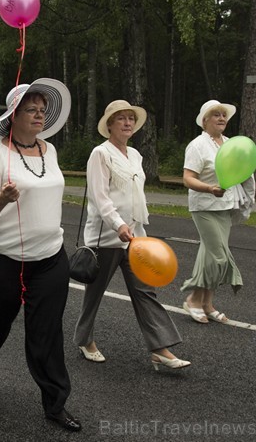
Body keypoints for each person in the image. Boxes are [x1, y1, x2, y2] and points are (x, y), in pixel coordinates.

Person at [0, 79, 81, 432]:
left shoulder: (49, 151)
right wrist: (2, 198)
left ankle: (56, 403)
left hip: (49, 257)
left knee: (47, 333)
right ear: (14, 116)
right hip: (1, 260)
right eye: (31, 109)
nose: (39, 115)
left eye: (43, 110)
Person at [74, 100, 190, 372]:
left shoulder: (135, 155)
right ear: (110, 125)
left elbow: (137, 196)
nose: (127, 123)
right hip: (106, 237)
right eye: (121, 119)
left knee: (145, 291)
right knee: (95, 293)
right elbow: (100, 197)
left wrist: (137, 229)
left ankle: (160, 349)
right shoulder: (100, 154)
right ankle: (84, 340)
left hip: (135, 239)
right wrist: (118, 224)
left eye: (130, 119)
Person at [180, 100, 255, 324]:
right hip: (204, 206)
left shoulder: (230, 144)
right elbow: (187, 178)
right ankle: (193, 299)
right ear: (205, 121)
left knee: (209, 257)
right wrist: (210, 188)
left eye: (224, 115)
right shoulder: (197, 145)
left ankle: (207, 303)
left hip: (225, 207)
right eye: (216, 115)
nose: (222, 118)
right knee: (218, 257)